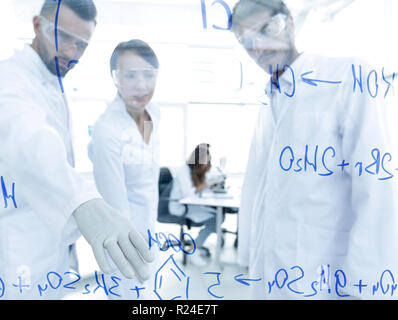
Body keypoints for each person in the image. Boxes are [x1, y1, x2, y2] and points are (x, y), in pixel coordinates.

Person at [0, 0, 153, 300]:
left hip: (52, 242)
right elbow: (31, 142)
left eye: (81, 44)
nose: (71, 52)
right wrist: (83, 202)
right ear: (37, 26)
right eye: (63, 37)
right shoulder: (5, 78)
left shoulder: (52, 82)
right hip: (20, 244)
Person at [231, 0, 398, 299]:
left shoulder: (348, 77)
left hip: (328, 282)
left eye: (266, 29)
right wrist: (247, 260)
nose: (259, 46)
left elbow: (377, 190)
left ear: (290, 23)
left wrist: (365, 289)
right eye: (247, 40)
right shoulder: (268, 101)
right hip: (269, 279)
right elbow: (260, 193)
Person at [88, 39, 161, 299]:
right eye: (131, 75)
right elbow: (116, 204)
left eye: (148, 75)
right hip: (123, 243)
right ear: (116, 78)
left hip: (149, 232)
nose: (141, 85)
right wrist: (136, 255)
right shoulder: (107, 130)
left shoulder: (154, 114)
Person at [169, 143, 225, 266]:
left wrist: (212, 184)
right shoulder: (184, 170)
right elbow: (188, 194)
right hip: (180, 206)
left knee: (220, 216)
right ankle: (194, 249)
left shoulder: (197, 171)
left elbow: (201, 191)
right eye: (204, 162)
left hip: (192, 205)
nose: (206, 165)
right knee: (216, 218)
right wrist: (207, 183)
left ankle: (197, 244)